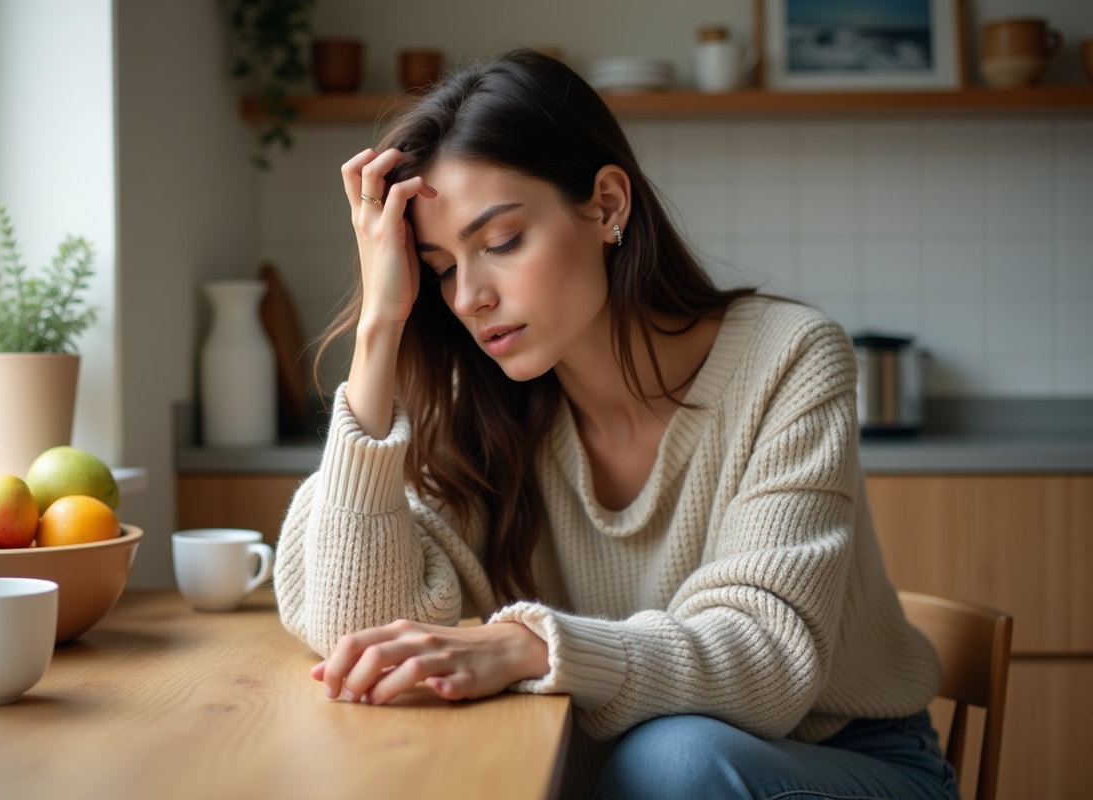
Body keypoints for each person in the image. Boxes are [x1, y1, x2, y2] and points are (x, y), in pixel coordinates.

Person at [273, 49, 956, 800]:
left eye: (501, 243)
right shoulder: (481, 402)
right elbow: (356, 632)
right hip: (627, 776)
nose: (469, 297)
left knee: (673, 761)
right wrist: (380, 325)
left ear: (606, 205)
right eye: (441, 267)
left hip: (831, 758)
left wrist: (529, 646)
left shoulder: (789, 357)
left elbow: (767, 659)